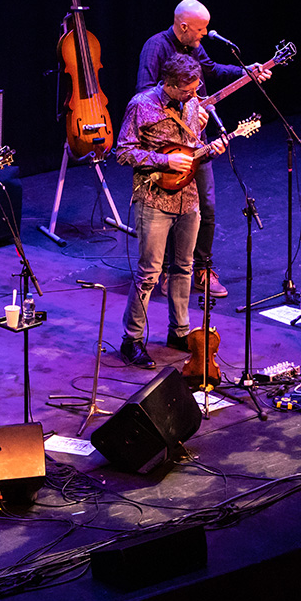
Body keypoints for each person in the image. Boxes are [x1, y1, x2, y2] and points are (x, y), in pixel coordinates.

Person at [136, 0, 272, 299]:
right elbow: (144, 93)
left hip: (197, 140)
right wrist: (180, 109)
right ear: (183, 26)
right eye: (199, 29)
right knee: (170, 210)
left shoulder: (195, 45)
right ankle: (171, 271)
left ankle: (202, 269)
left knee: (205, 207)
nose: (204, 34)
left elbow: (211, 70)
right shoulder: (156, 47)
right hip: (167, 145)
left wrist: (245, 71)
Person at [118, 54, 228, 368]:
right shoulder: (142, 105)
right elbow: (123, 152)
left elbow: (192, 155)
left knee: (184, 268)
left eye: (196, 90)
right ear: (169, 83)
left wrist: (211, 152)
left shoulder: (194, 105)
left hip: (188, 198)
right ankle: (132, 339)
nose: (193, 96)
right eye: (187, 91)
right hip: (154, 200)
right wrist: (164, 161)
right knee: (149, 273)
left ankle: (178, 331)